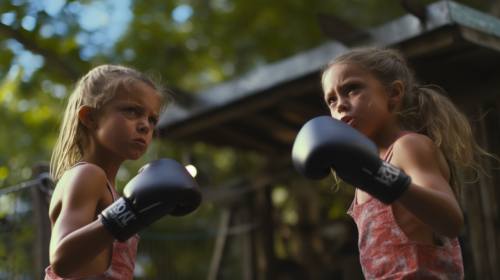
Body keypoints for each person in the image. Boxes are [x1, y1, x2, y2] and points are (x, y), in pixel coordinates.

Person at [292, 48, 495, 279]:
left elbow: (451, 221)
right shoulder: (365, 173)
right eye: (331, 99)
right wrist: (375, 175)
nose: (340, 104)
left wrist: (381, 177)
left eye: (352, 88)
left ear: (393, 93)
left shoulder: (408, 147)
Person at [45, 65, 201, 279]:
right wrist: (128, 212)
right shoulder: (88, 175)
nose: (145, 125)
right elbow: (61, 261)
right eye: (132, 110)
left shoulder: (110, 191)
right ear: (90, 117)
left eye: (152, 119)